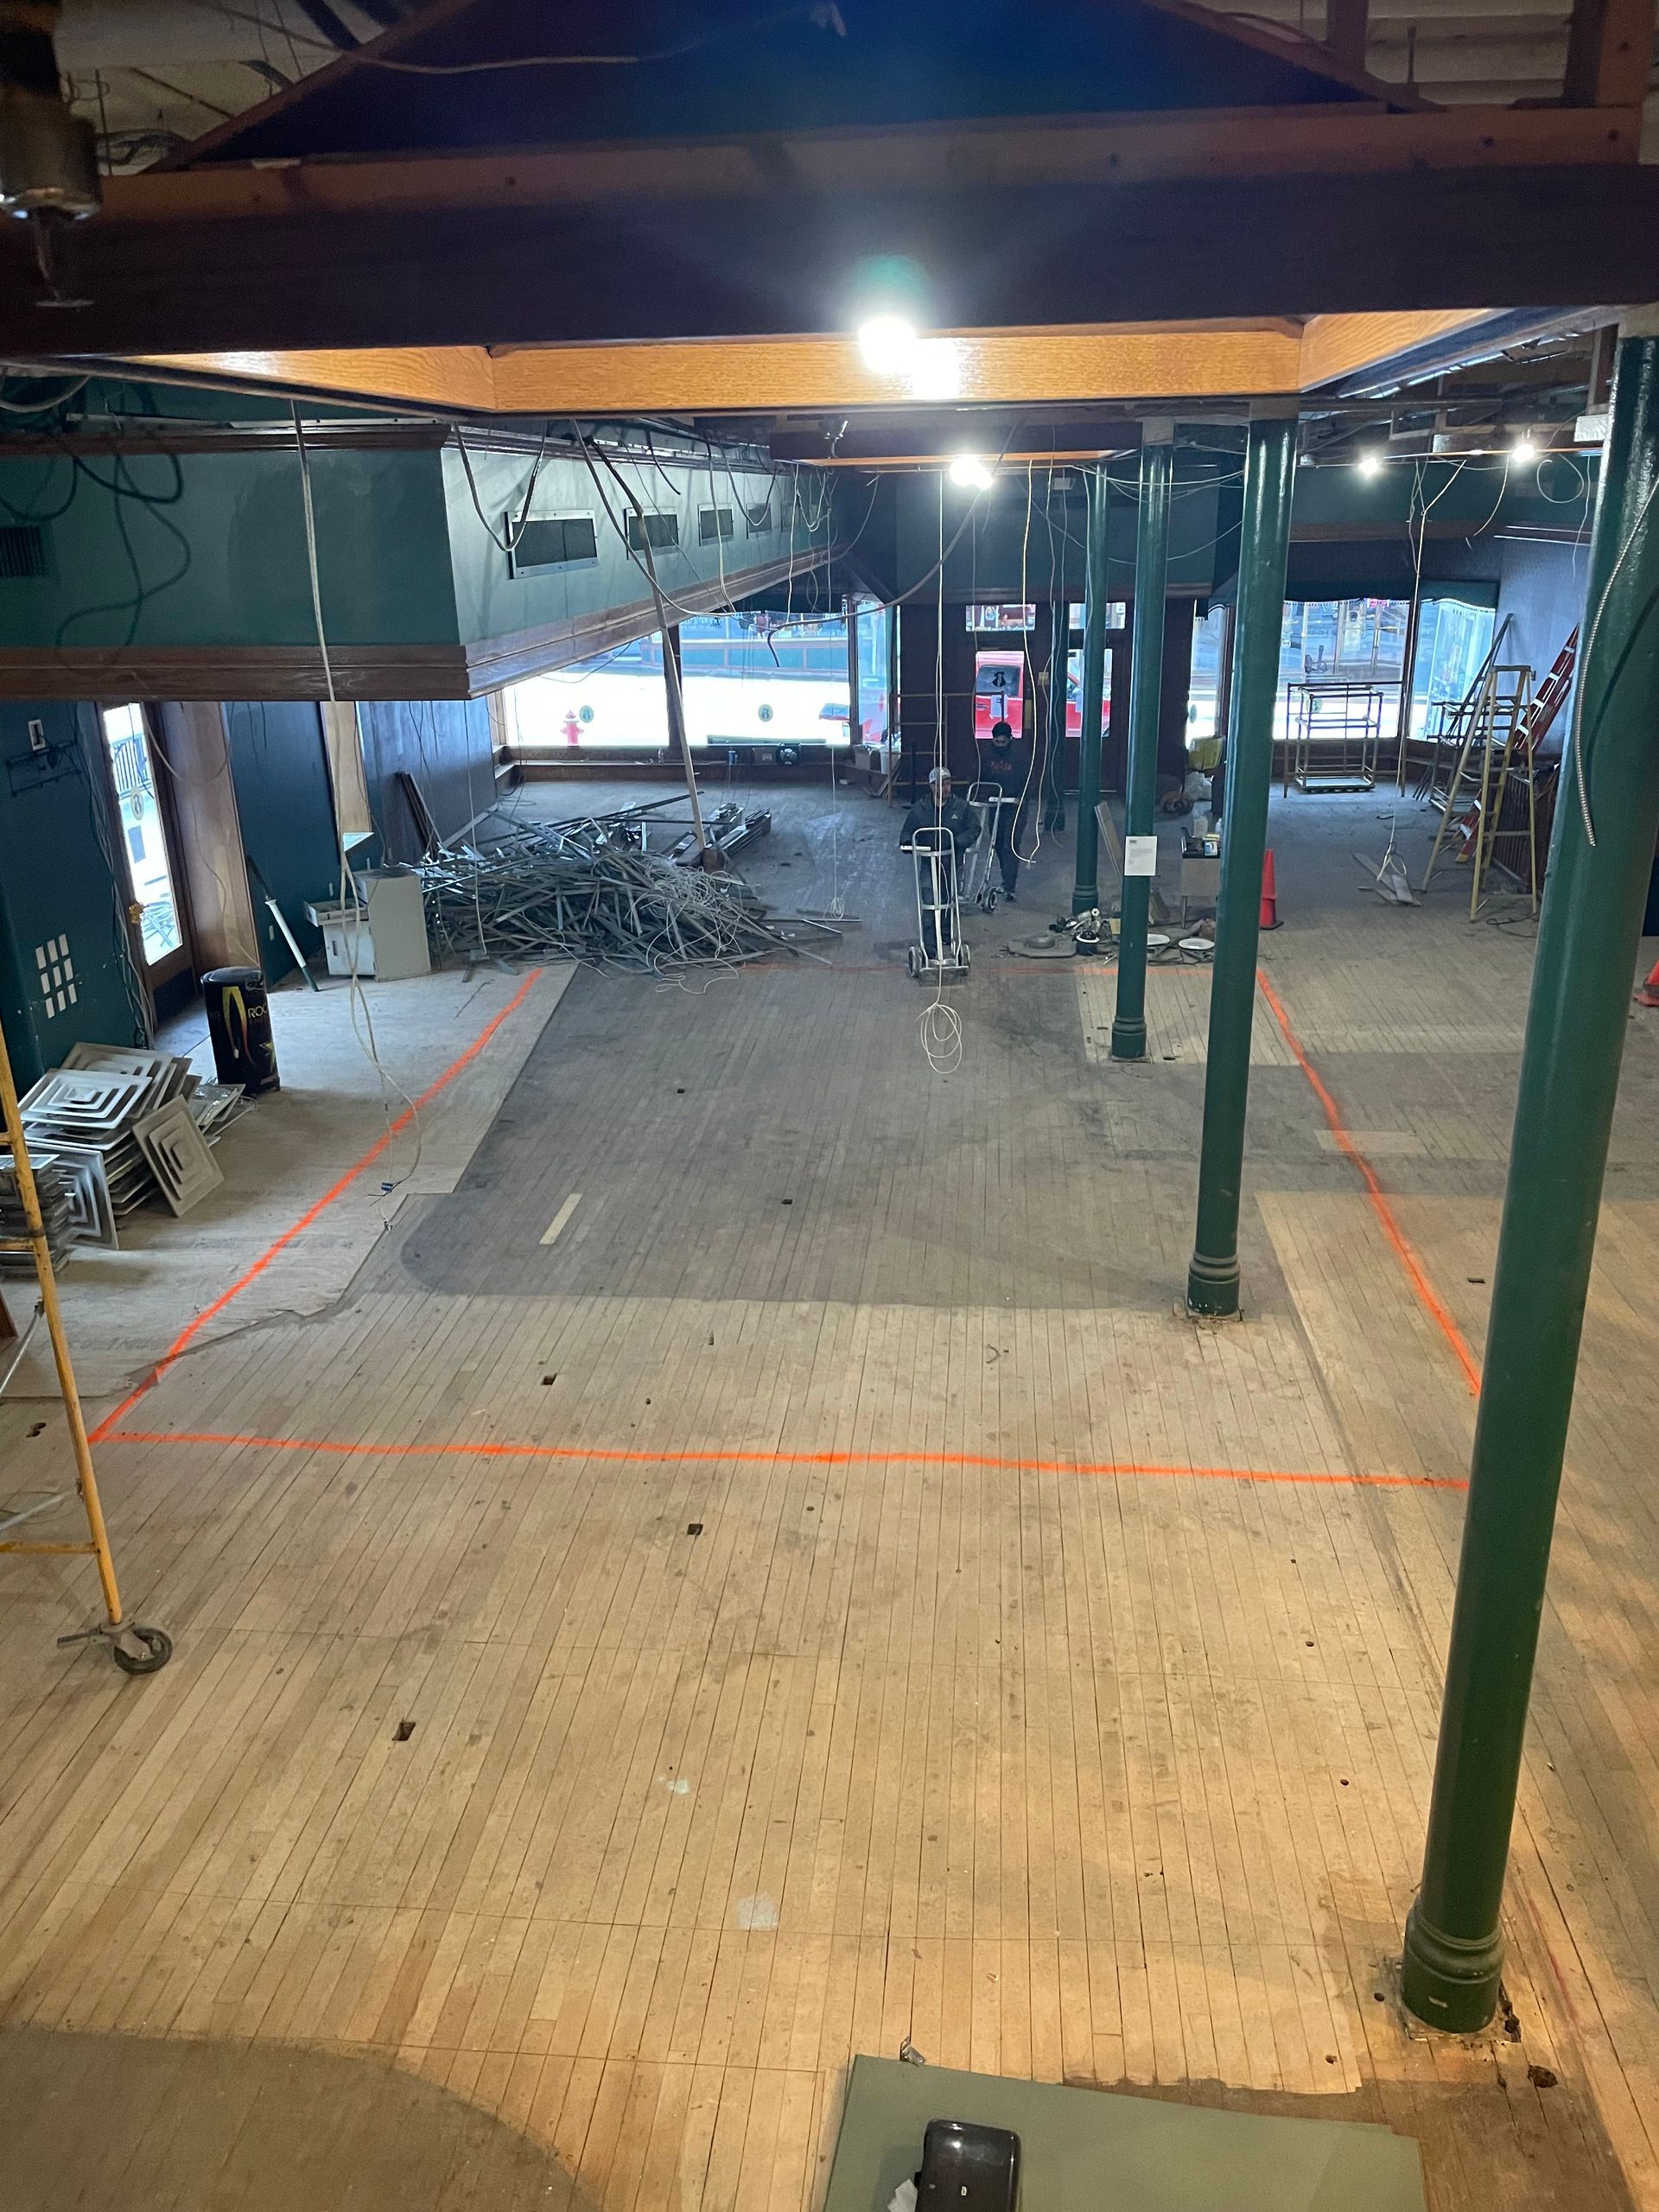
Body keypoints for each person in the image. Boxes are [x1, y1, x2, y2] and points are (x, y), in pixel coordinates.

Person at [899, 766, 980, 956]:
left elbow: (974, 828)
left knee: (948, 899)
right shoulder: (920, 809)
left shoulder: (961, 807)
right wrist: (908, 845)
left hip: (952, 860)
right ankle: (930, 945)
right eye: (939, 785)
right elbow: (906, 833)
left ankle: (946, 934)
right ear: (931, 786)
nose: (944, 789)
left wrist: (958, 843)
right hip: (929, 861)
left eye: (947, 784)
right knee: (929, 900)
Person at [977, 719, 1029, 899]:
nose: (999, 745)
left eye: (1003, 742)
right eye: (996, 742)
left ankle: (1010, 885)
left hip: (1015, 805)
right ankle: (1005, 877)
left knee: (1011, 843)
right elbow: (979, 775)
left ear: (1010, 739)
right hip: (995, 804)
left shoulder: (1020, 755)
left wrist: (1021, 798)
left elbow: (1028, 779)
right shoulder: (986, 754)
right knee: (997, 842)